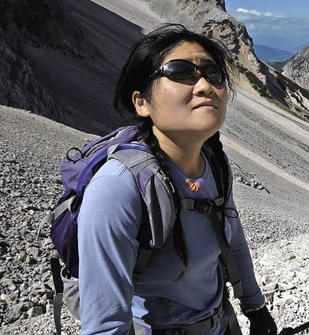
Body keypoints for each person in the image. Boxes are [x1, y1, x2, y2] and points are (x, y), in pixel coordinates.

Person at [76, 23, 277, 335]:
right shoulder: (117, 188)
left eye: (214, 73)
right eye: (180, 71)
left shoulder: (216, 164)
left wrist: (255, 306)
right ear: (141, 102)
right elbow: (105, 326)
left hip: (219, 324)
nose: (204, 85)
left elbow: (232, 238)